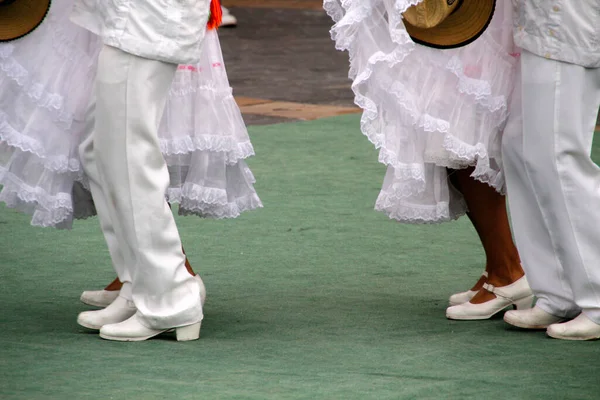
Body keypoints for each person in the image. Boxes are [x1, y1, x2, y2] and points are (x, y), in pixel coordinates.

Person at [0, 0, 261, 341]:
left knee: (127, 156)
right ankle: (139, 284)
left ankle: (170, 298)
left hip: (148, 16)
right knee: (99, 151)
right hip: (130, 16)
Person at [325, 0, 531, 320]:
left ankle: (508, 270)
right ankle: (499, 265)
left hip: (478, 20)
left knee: (458, 133)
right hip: (462, 22)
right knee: (443, 130)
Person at [501, 1, 600, 340]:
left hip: (567, 19)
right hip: (540, 21)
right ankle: (558, 291)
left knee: (558, 156)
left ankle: (597, 297)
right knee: (519, 143)